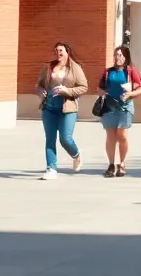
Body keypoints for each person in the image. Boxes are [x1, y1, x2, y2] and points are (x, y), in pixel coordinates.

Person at [34, 41, 89, 179]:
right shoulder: (49, 67)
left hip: (67, 109)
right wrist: (41, 91)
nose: (58, 53)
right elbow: (38, 85)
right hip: (49, 108)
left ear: (67, 52)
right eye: (56, 51)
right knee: (50, 139)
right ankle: (51, 169)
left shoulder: (75, 68)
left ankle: (76, 155)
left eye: (61, 51)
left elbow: (83, 87)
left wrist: (67, 91)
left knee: (65, 139)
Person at [98, 46, 141, 178]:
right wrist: (103, 93)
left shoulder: (130, 71)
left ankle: (122, 163)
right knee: (111, 136)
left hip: (125, 107)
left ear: (126, 57)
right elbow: (99, 88)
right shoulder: (108, 72)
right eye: (116, 55)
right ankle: (111, 164)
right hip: (110, 106)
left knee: (122, 135)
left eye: (120, 55)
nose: (117, 57)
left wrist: (130, 94)